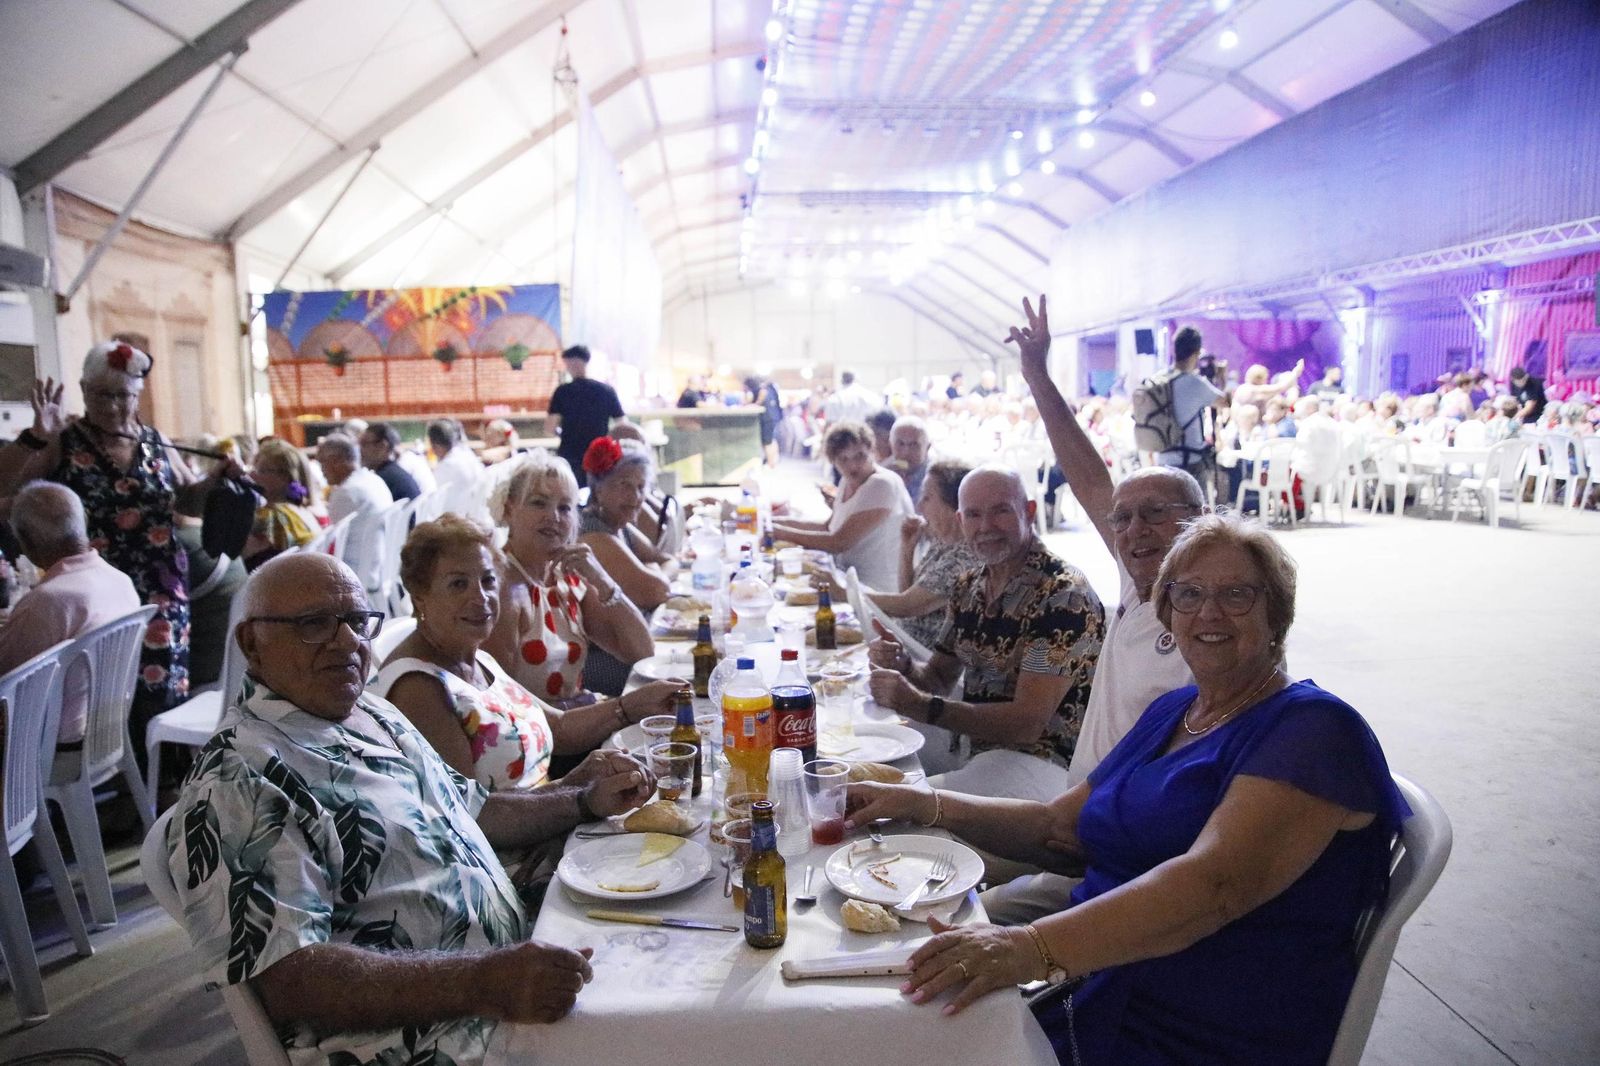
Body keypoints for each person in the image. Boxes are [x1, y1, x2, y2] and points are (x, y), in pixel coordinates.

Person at [846, 513, 1409, 1066]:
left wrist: (1028, 948)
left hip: (1194, 1018)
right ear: (1166, 612)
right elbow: (1058, 829)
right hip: (1099, 974)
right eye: (1187, 595)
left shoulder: (1313, 729)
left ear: (1277, 613)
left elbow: (1212, 888)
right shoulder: (1177, 712)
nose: (1208, 612)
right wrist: (926, 805)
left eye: (1237, 594)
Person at [165, 552, 655, 1066]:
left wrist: (578, 797)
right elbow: (291, 979)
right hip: (430, 1031)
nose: (348, 642)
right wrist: (486, 982)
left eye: (357, 622)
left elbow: (474, 813)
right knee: (665, 1035)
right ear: (251, 643)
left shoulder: (367, 710)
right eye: (314, 625)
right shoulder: (239, 778)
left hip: (507, 963)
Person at [3, 343, 241, 739]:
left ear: (138, 395)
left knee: (162, 683)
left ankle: (164, 776)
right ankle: (112, 776)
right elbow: (8, 486)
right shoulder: (66, 440)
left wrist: (217, 480)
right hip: (101, 586)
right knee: (105, 687)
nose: (113, 407)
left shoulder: (155, 440)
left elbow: (187, 498)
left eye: (123, 396)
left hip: (161, 582)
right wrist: (35, 436)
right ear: (83, 390)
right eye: (101, 395)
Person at [373, 515, 684, 798]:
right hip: (509, 854)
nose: (480, 597)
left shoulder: (475, 657)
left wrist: (633, 705)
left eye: (488, 580)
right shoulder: (417, 687)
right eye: (458, 584)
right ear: (420, 598)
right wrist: (578, 797)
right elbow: (472, 815)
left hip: (544, 818)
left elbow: (559, 728)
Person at [866, 466, 1104, 802]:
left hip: (1046, 770)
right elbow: (937, 678)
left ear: (1029, 512)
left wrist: (920, 706)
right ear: (961, 520)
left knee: (895, 805)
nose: (986, 527)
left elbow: (1026, 723)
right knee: (869, 756)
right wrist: (903, 665)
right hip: (977, 750)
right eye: (974, 515)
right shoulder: (969, 586)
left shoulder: (1062, 594)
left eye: (1001, 511)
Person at [485, 449, 656, 717]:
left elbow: (642, 652)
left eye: (564, 508)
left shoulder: (567, 579)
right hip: (543, 739)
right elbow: (505, 707)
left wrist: (602, 579)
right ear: (508, 509)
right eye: (539, 503)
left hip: (576, 722)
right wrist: (610, 713)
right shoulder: (501, 588)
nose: (553, 517)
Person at [0, 482, 141, 745]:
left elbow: (4, 673)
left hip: (46, 748)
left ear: (28, 541)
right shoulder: (120, 581)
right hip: (104, 732)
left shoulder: (48, 601)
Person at [771, 422, 914, 592]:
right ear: (833, 462)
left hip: (877, 590)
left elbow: (838, 542)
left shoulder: (882, 483)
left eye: (859, 456)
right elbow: (827, 527)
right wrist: (776, 522)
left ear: (871, 450)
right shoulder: (847, 481)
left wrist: (779, 532)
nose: (852, 465)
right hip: (846, 579)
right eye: (843, 459)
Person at [865, 460, 977, 651]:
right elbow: (907, 594)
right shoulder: (943, 541)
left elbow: (906, 606)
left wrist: (845, 593)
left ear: (952, 506)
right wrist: (907, 548)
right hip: (904, 643)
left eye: (926, 498)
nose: (919, 506)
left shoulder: (964, 558)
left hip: (926, 663)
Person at [576, 438, 676, 615]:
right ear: (599, 489)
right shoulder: (593, 534)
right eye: (625, 485)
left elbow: (669, 560)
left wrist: (652, 569)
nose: (635, 496)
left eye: (640, 487)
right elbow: (655, 591)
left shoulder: (618, 523)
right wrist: (652, 569)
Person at [317, 433, 393, 598]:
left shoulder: (346, 492)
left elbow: (329, 545)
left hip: (356, 574)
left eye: (322, 462)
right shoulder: (374, 480)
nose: (321, 470)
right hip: (380, 567)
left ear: (337, 460)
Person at [547, 345, 624, 487]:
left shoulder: (562, 392)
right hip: (601, 454)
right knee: (600, 492)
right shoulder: (606, 390)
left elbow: (550, 428)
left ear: (570, 363)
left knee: (571, 495)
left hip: (571, 453)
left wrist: (562, 433)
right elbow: (622, 424)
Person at [1156, 327, 1225, 481]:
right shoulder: (1195, 383)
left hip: (1162, 461)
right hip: (1189, 462)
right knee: (1196, 503)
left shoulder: (1158, 379)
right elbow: (1225, 402)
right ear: (1196, 353)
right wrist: (1221, 378)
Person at [243, 439, 318, 571]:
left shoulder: (272, 516)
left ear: (285, 477)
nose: (252, 475)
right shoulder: (300, 510)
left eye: (262, 470)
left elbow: (241, 558)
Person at [359, 422, 422, 501]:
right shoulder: (394, 472)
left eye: (364, 444)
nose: (360, 450)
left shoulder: (383, 480)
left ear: (382, 446)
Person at [429, 418, 483, 499]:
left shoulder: (447, 466)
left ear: (436, 445)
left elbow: (432, 496)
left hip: (462, 509)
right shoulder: (468, 455)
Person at [888, 415, 932, 502]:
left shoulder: (936, 481)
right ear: (890, 445)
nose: (906, 452)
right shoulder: (883, 474)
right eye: (900, 444)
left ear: (927, 448)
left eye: (914, 445)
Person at [746, 375, 783, 467]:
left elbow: (760, 400)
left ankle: (771, 463)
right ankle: (774, 461)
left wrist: (754, 404)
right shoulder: (772, 388)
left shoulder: (763, 389)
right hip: (773, 417)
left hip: (768, 418)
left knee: (767, 442)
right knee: (771, 440)